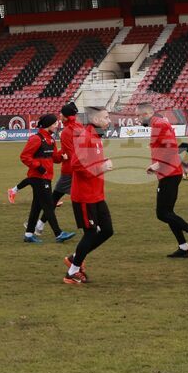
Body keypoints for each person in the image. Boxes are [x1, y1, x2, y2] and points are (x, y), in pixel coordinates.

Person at [135, 103, 188, 258]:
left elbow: (172, 147)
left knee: (162, 213)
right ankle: (183, 247)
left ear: (147, 113)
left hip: (169, 173)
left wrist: (158, 164)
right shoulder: (158, 123)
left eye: (139, 115)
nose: (137, 118)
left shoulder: (159, 124)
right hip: (168, 172)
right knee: (168, 212)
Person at [63, 106, 114, 285]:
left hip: (96, 194)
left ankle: (75, 257)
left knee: (107, 230)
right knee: (91, 233)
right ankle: (72, 272)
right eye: (106, 117)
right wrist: (101, 167)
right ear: (97, 120)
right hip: (84, 196)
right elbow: (76, 166)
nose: (109, 121)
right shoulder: (85, 137)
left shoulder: (95, 137)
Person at [11, 114, 77, 244]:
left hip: (46, 177)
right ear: (48, 125)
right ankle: (58, 233)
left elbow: (54, 158)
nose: (57, 125)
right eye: (54, 124)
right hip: (38, 177)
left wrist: (61, 156)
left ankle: (29, 234)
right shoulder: (36, 139)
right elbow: (24, 156)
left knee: (37, 206)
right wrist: (38, 166)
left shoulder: (50, 140)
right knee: (48, 205)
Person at [30, 102, 81, 235]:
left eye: (61, 114)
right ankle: (40, 226)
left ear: (65, 116)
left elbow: (69, 154)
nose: (59, 116)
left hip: (70, 169)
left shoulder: (66, 132)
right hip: (79, 168)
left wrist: (60, 154)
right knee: (54, 198)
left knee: (54, 198)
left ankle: (39, 226)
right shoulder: (80, 127)